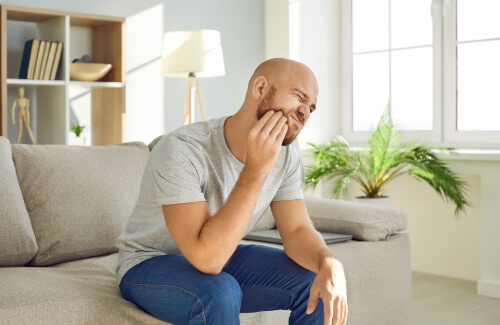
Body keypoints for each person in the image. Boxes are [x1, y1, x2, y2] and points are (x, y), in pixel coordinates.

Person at [116, 58, 348, 325]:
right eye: (299, 97)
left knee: (315, 282)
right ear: (260, 88)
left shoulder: (286, 154)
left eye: (311, 108)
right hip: (148, 263)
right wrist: (256, 168)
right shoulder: (181, 149)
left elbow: (296, 230)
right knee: (220, 291)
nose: (305, 112)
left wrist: (328, 263)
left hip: (222, 251)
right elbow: (207, 260)